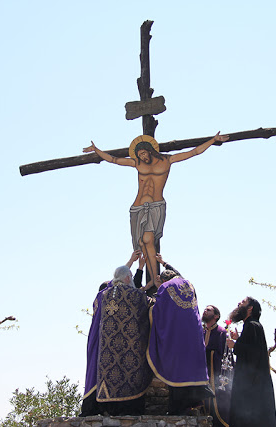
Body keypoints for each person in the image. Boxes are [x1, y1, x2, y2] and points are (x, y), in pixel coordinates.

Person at [83, 132, 229, 289]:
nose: (143, 157)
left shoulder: (167, 160)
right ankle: (152, 278)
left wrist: (213, 140)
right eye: (139, 155)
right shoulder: (138, 164)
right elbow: (114, 160)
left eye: (144, 153)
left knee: (148, 239)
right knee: (141, 243)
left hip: (156, 205)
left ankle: (154, 279)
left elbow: (193, 152)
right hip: (138, 207)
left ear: (150, 150)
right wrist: (97, 150)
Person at [80, 265, 153, 416]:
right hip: (129, 349)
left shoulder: (103, 295)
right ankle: (127, 407)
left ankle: (106, 407)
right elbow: (150, 305)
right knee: (129, 376)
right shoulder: (134, 295)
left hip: (106, 349)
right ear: (127, 278)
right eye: (131, 277)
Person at [147, 269, 213, 415]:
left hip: (177, 337)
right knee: (190, 370)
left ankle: (177, 407)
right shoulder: (189, 284)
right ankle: (193, 404)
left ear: (164, 280)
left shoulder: (166, 287)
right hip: (194, 335)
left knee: (177, 370)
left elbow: (158, 308)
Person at [226, 297, 276, 427]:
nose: (239, 303)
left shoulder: (252, 325)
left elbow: (254, 353)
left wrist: (235, 345)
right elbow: (252, 348)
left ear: (250, 308)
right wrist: (239, 339)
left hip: (251, 386)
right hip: (252, 384)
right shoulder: (251, 325)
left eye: (243, 302)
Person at [202, 305, 231, 427]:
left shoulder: (221, 333)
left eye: (208, 310)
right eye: (205, 309)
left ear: (216, 316)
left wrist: (209, 353)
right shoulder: (201, 331)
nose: (205, 311)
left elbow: (226, 357)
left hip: (216, 378)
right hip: (202, 375)